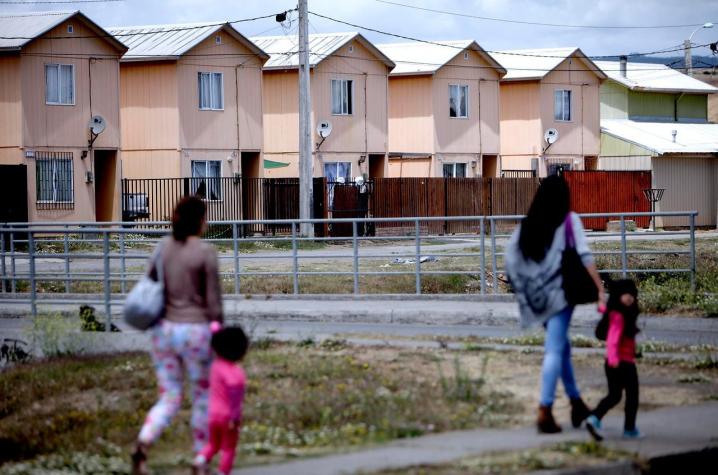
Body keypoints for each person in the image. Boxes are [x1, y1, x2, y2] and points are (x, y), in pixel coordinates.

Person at [505, 175, 604, 434]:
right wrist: (600, 288)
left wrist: (527, 286)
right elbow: (584, 255)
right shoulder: (570, 220)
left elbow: (511, 257)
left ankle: (576, 402)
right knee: (554, 350)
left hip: (539, 297)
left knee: (561, 347)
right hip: (562, 295)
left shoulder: (528, 225)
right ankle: (545, 410)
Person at [132, 196, 223, 475]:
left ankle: (144, 442)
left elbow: (150, 282)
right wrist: (219, 332)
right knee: (202, 396)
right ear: (201, 220)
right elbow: (213, 303)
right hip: (195, 332)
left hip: (164, 331)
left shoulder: (163, 249)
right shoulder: (205, 252)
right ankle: (200, 459)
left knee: (170, 395)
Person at [586, 279, 642, 441]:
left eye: (632, 294)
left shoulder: (614, 311)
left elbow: (603, 309)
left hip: (614, 362)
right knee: (632, 395)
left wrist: (601, 301)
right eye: (626, 294)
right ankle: (629, 429)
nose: (630, 297)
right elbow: (613, 339)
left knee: (615, 395)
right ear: (618, 295)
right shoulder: (619, 316)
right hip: (621, 363)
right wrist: (614, 359)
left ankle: (594, 418)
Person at [193, 325, 248, 475]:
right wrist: (234, 418)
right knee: (228, 448)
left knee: (213, 444)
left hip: (212, 414)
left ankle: (199, 461)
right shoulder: (236, 372)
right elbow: (235, 397)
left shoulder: (215, 366)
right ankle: (223, 472)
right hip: (227, 416)